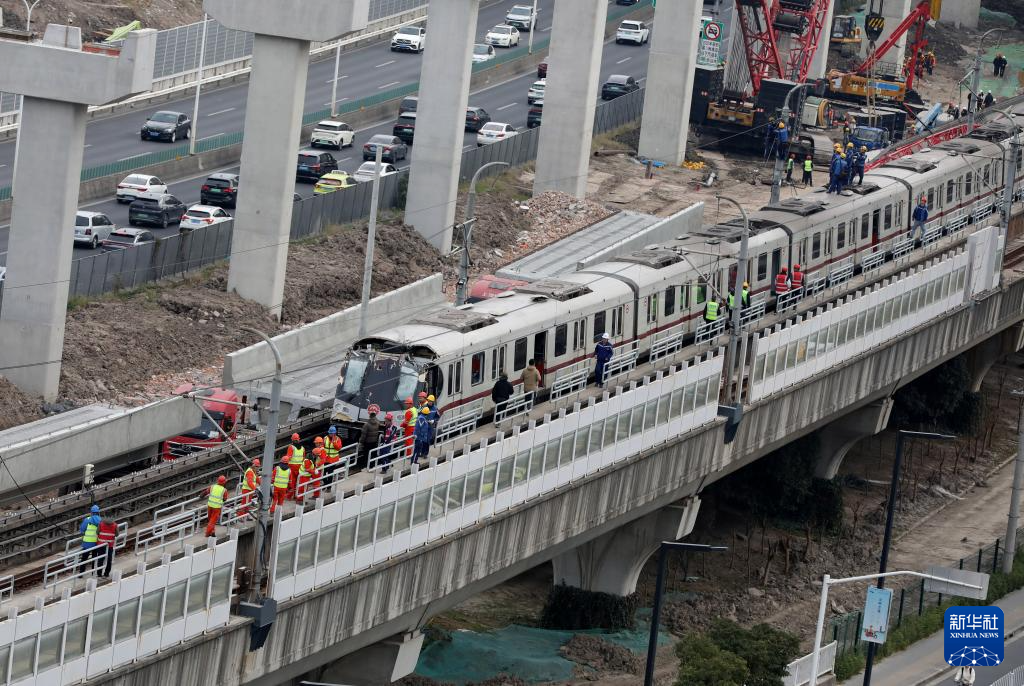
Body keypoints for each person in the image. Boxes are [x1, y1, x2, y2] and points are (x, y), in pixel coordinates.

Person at [78, 504, 102, 574]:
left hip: (87, 543)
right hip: (96, 543)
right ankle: (93, 572)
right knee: (94, 558)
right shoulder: (101, 521)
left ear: (91, 512)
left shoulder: (87, 520)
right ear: (98, 512)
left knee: (84, 559)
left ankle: (81, 573)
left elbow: (82, 530)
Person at [358, 404, 382, 469]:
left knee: (366, 455)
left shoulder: (366, 425)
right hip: (374, 442)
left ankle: (366, 466)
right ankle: (372, 466)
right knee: (372, 454)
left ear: (369, 416)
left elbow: (363, 435)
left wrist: (361, 442)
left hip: (367, 443)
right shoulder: (377, 423)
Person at [285, 433, 304, 499]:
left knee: (291, 482)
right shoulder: (302, 448)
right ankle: (296, 495)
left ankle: (290, 496)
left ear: (292, 440)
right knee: (298, 481)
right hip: (299, 467)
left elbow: (288, 457)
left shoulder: (291, 447)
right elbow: (303, 458)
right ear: (299, 439)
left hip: (292, 467)